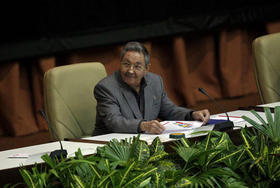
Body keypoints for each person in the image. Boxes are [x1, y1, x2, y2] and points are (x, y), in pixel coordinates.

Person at [93, 41, 210, 136]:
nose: (130, 70)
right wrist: (143, 126)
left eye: (137, 66)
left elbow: (169, 110)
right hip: (111, 146)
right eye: (126, 64)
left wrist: (192, 115)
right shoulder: (106, 88)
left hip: (144, 144)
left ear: (147, 68)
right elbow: (114, 122)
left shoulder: (155, 82)